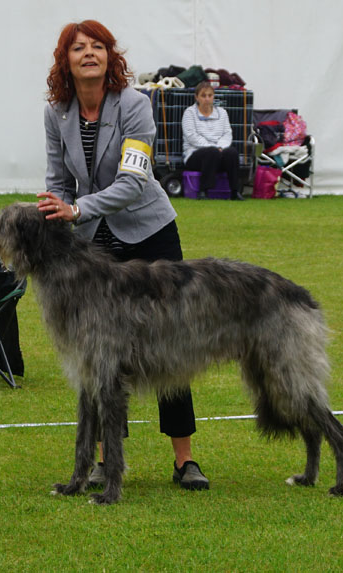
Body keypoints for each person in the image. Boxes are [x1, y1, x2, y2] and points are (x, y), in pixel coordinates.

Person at [36, 19, 209, 491]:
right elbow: (57, 177)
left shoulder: (134, 105)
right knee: (99, 352)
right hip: (93, 240)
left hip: (149, 232)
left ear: (111, 57)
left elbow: (133, 183)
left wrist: (76, 208)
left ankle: (184, 459)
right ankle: (103, 461)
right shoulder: (57, 113)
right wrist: (56, 207)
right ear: (65, 61)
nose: (88, 53)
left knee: (168, 342)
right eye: (78, 48)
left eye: (98, 46)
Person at [181, 81, 240, 199]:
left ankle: (235, 192)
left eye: (210, 95)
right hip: (194, 154)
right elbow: (191, 136)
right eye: (203, 96)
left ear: (213, 96)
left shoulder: (222, 113)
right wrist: (212, 147)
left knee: (232, 152)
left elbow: (227, 134)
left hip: (219, 152)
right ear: (196, 97)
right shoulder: (189, 113)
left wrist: (221, 147)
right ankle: (204, 191)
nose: (207, 99)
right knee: (211, 153)